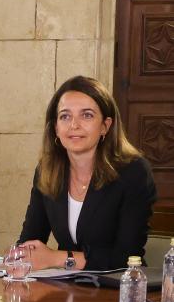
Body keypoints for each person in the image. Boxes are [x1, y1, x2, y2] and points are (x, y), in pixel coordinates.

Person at [19, 75, 156, 271]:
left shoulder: (133, 172)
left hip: (117, 286)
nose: (74, 125)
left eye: (87, 115)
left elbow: (128, 257)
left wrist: (57, 258)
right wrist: (19, 257)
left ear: (105, 126)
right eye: (65, 116)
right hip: (65, 285)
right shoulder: (48, 170)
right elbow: (30, 241)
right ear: (56, 128)